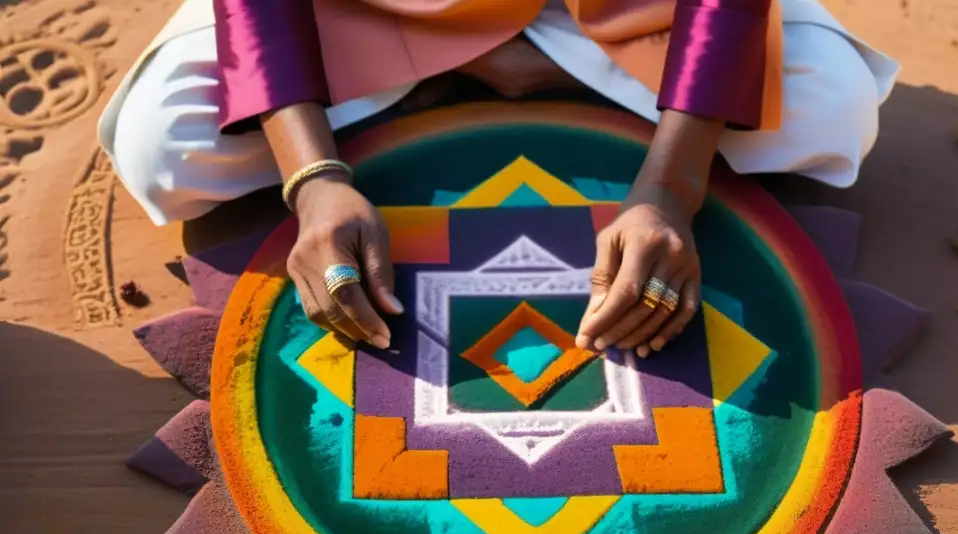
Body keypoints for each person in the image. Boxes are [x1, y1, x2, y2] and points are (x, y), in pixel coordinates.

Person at [99, 0, 898, 359]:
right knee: (165, 148)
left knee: (833, 110)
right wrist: (313, 180)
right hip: (381, 9)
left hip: (608, 9)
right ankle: (508, 70)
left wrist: (667, 190)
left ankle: (478, 72)